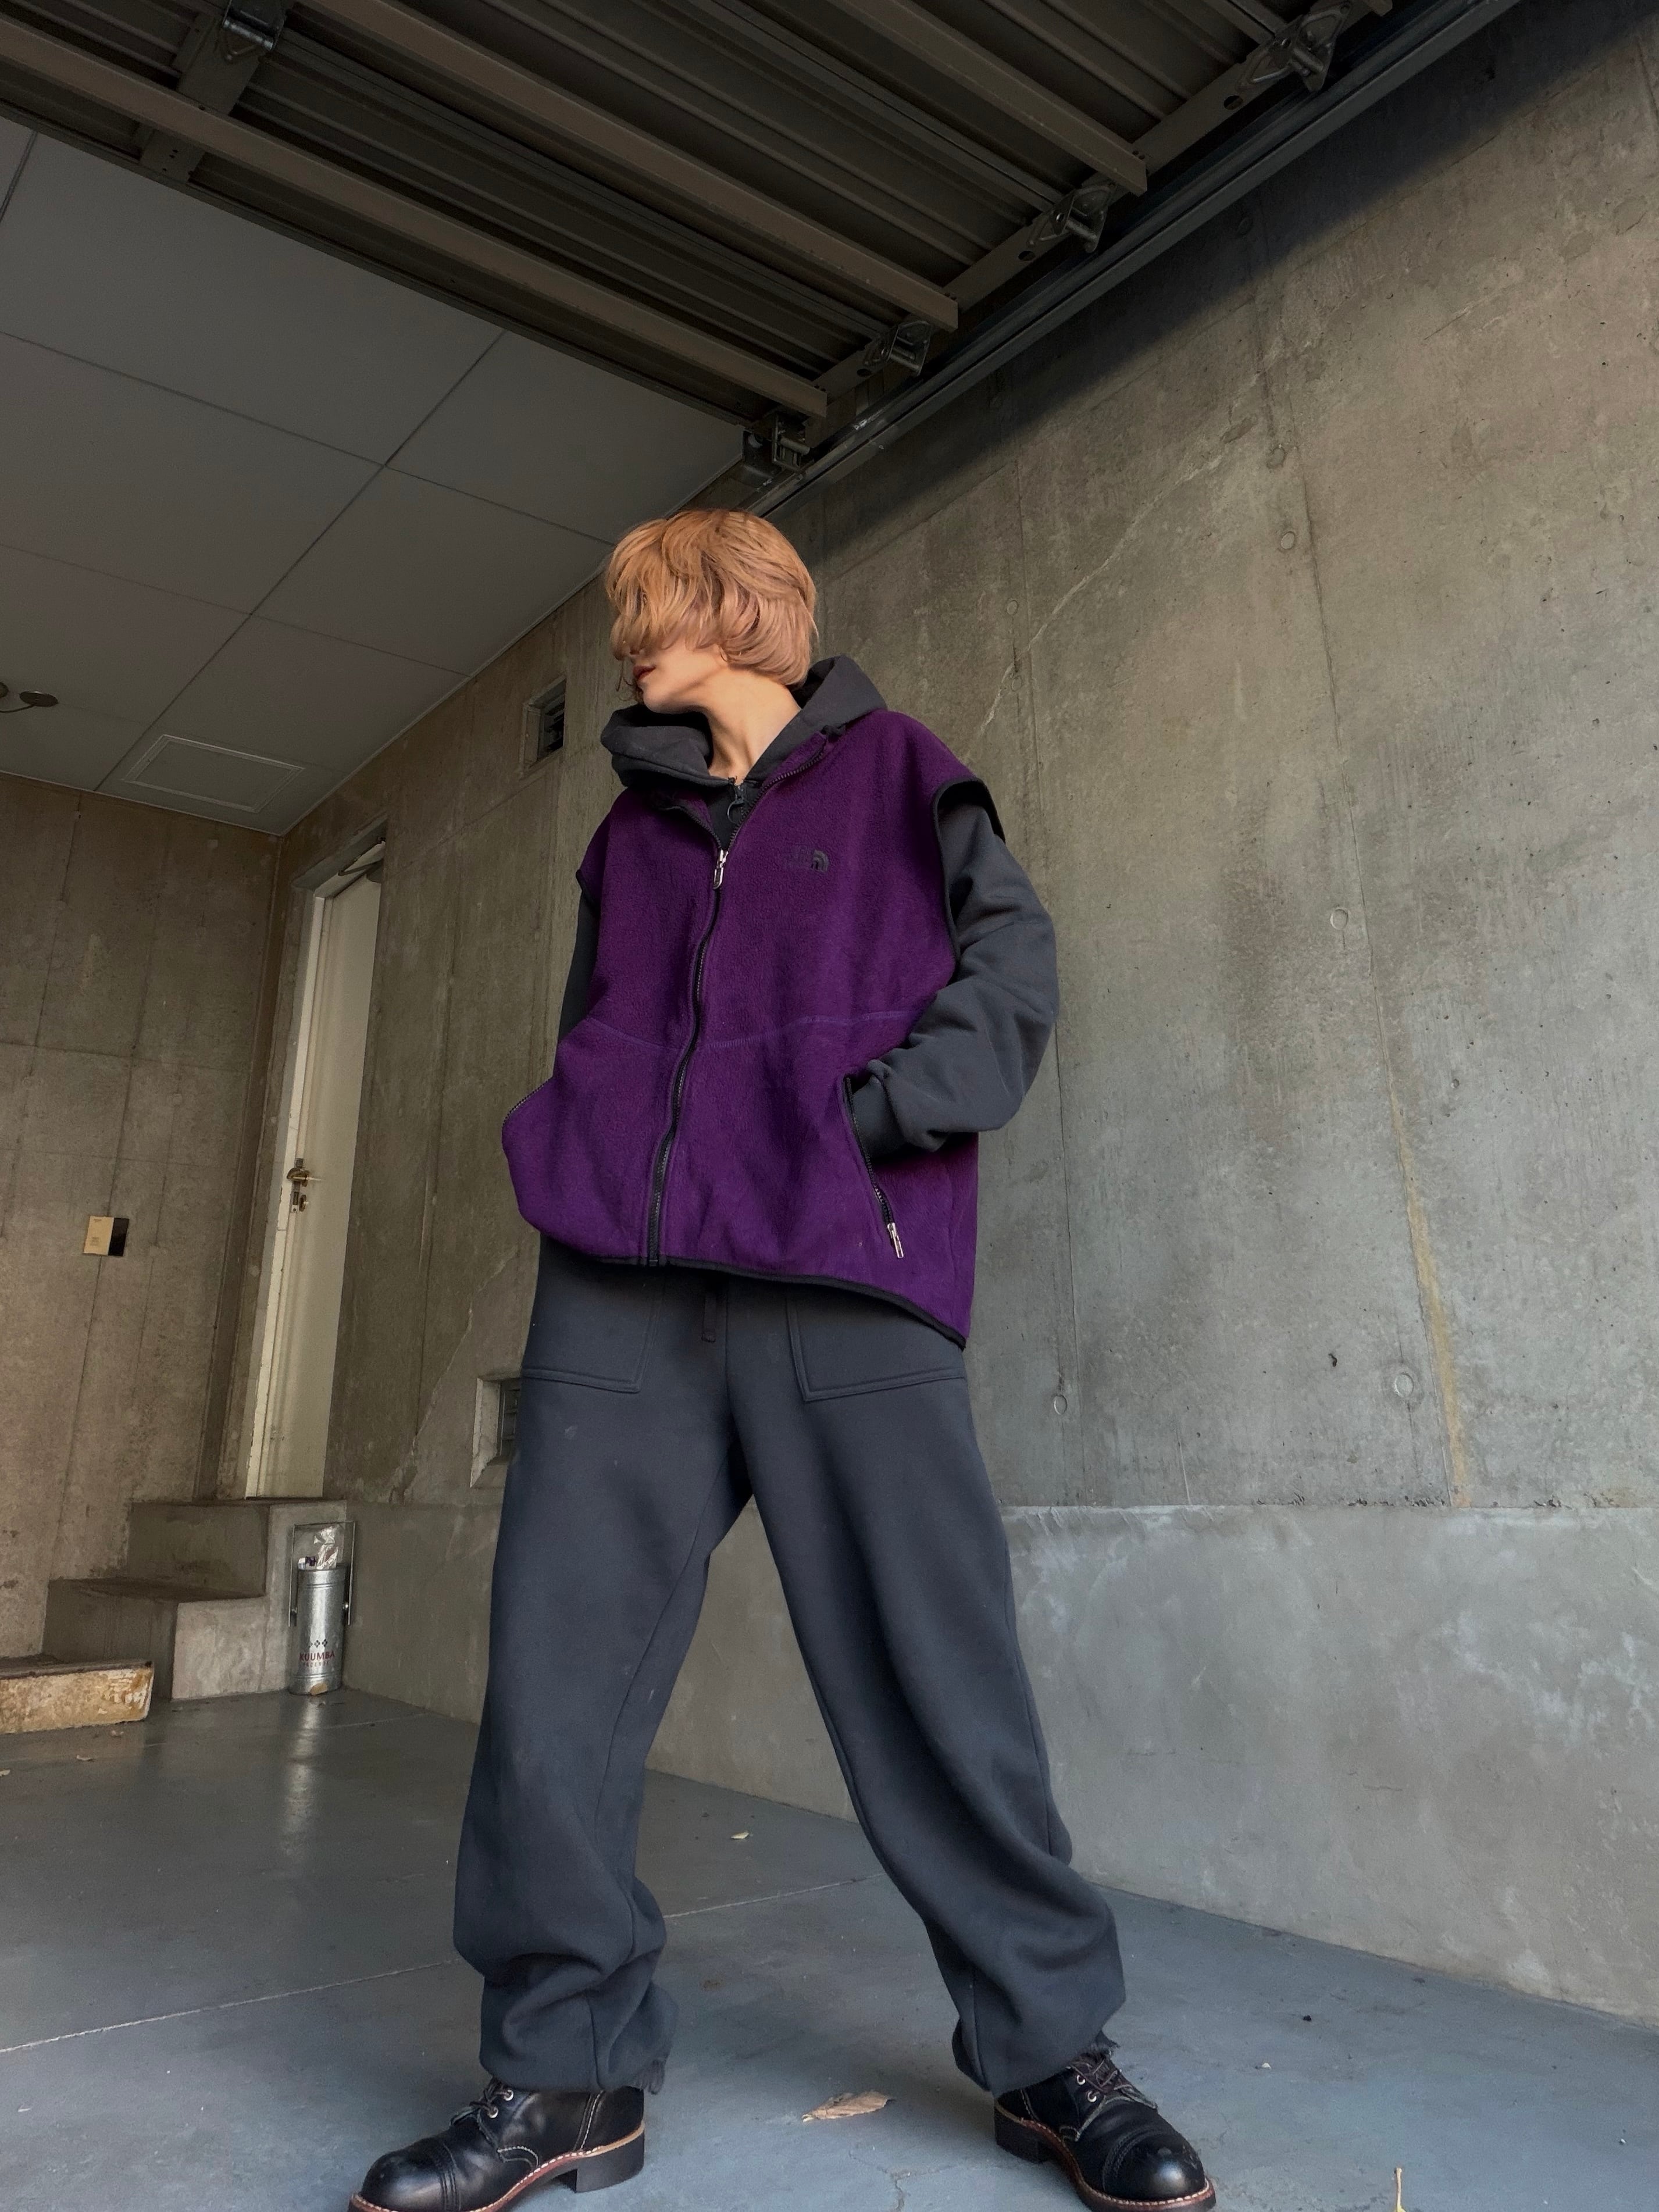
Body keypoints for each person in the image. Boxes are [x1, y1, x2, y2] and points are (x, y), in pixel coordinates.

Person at [352, 509, 1214, 2212]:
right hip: (627, 1293)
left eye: (656, 608)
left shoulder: (905, 773)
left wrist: (876, 1120)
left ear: (743, 611)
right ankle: (563, 2074)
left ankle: (1053, 2053)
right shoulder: (632, 828)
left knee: (937, 1681)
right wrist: (579, 1140)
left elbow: (1015, 971)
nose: (630, 640)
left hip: (842, 1265)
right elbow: (601, 1020)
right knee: (554, 1688)